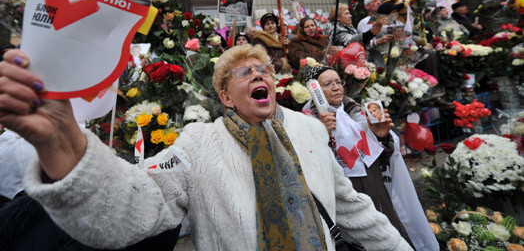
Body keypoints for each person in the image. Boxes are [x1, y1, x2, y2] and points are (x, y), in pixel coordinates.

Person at [0, 46, 412, 250]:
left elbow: (352, 207)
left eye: (264, 68)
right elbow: (141, 203)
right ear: (227, 97)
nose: (259, 74)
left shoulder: (308, 131)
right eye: (245, 72)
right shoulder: (198, 143)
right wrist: (67, 147)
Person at [302, 65, 439, 251]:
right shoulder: (307, 120)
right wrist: (319, 133)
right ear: (314, 90)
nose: (335, 87)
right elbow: (308, 162)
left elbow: (383, 158)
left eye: (337, 82)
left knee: (386, 233)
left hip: (374, 184)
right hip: (342, 194)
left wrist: (381, 136)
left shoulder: (358, 112)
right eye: (327, 84)